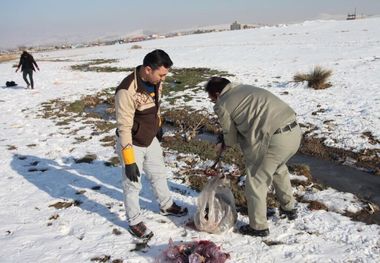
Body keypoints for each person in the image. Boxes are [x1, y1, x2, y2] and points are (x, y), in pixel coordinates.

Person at [205, 77, 302, 237]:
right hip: (294, 133)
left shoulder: (222, 103)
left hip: (274, 138)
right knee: (278, 168)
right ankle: (289, 208)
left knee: (256, 181)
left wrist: (223, 143)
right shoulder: (243, 89)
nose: (212, 101)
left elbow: (230, 136)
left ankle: (258, 227)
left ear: (217, 93)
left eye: (211, 98)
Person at [115, 49, 188, 239]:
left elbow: (156, 105)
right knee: (132, 184)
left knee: (159, 174)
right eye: (161, 75)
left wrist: (158, 125)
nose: (163, 79)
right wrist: (129, 160)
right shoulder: (127, 90)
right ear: (148, 69)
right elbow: (124, 128)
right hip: (132, 143)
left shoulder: (155, 81)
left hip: (150, 138)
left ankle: (166, 205)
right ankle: (134, 220)